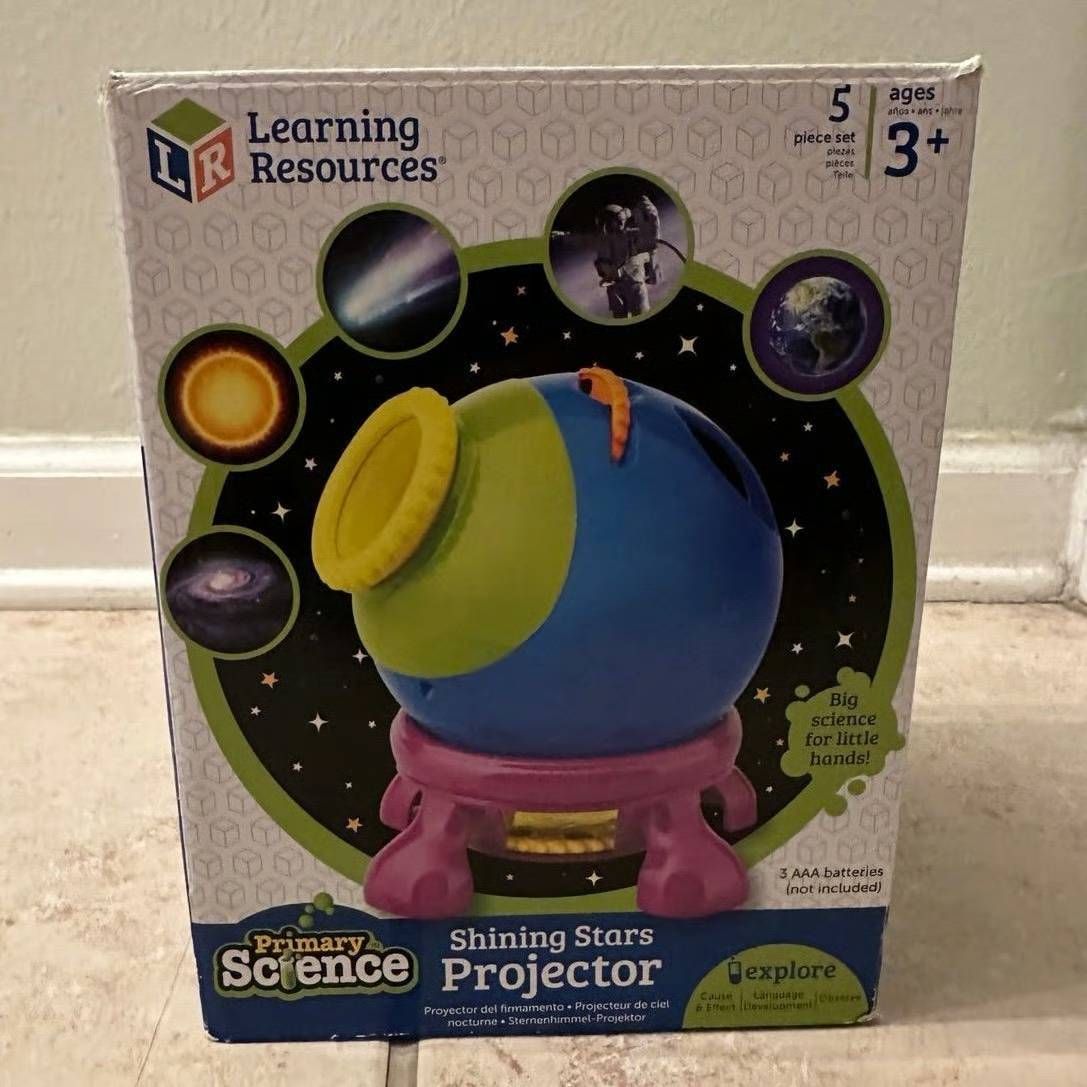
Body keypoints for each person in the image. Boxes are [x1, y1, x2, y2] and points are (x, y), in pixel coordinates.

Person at [553, 194, 663, 318]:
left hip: (634, 285)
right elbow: (580, 238)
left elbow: (652, 239)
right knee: (619, 317)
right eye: (614, 222)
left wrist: (650, 210)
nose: (618, 225)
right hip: (614, 286)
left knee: (640, 314)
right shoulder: (600, 239)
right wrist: (562, 236)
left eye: (620, 221)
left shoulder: (632, 237)